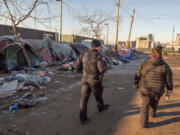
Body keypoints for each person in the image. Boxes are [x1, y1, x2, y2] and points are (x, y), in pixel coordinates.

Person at [134, 46, 173, 128]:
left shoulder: (145, 62)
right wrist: (169, 89)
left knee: (144, 105)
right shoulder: (165, 66)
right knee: (154, 103)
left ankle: (144, 123)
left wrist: (136, 83)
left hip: (145, 88)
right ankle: (152, 113)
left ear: (151, 53)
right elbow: (169, 79)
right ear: (161, 54)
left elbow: (138, 73)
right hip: (157, 90)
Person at [74, 39, 109, 123]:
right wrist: (106, 64)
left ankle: (83, 118)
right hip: (94, 79)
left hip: (85, 78)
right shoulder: (97, 54)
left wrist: (82, 70)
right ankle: (101, 107)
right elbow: (101, 69)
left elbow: (76, 66)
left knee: (84, 99)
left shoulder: (84, 53)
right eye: (100, 47)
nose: (100, 48)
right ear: (97, 47)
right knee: (98, 94)